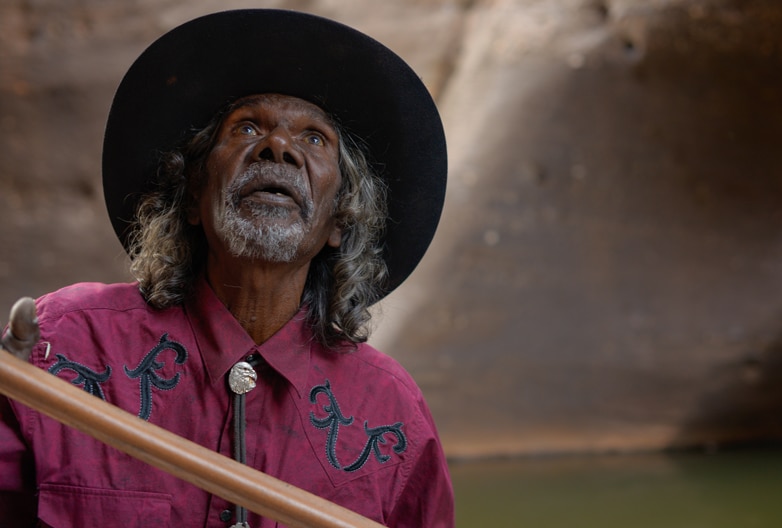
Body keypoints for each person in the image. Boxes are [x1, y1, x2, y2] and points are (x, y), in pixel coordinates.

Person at [0, 9, 453, 527]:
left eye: (313, 139)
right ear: (192, 197)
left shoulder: (390, 415)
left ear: (339, 223)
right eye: (247, 127)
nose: (277, 145)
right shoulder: (67, 344)